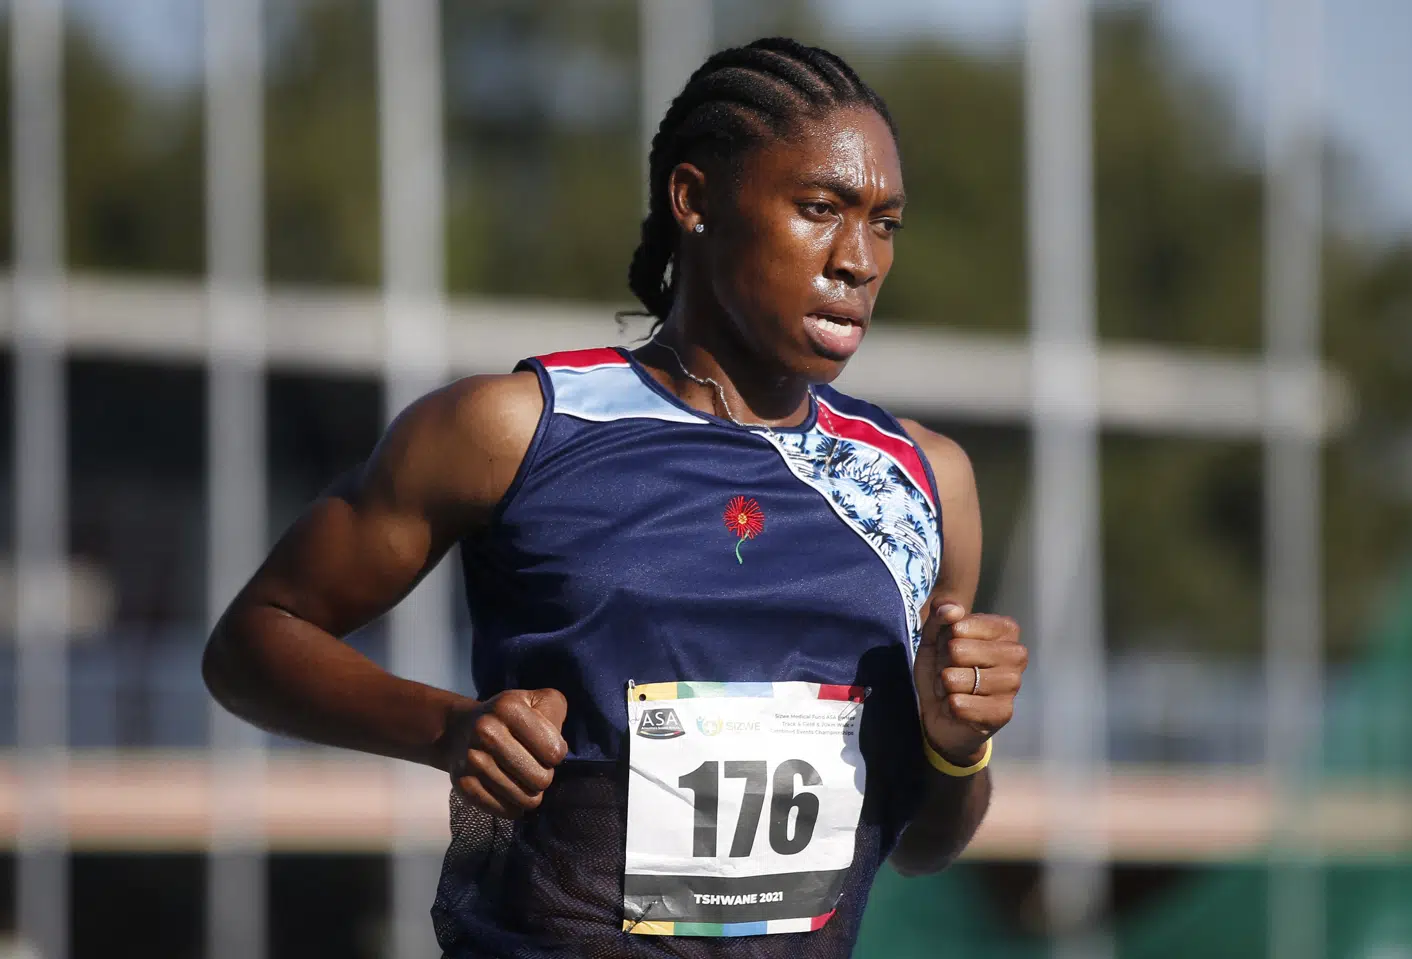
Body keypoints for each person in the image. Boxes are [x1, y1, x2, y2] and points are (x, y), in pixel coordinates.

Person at [203, 36, 1028, 958]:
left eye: (885, 224)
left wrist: (958, 745)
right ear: (694, 199)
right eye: (820, 209)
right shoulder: (513, 430)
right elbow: (250, 644)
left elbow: (925, 843)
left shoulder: (923, 483)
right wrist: (449, 729)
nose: (858, 260)